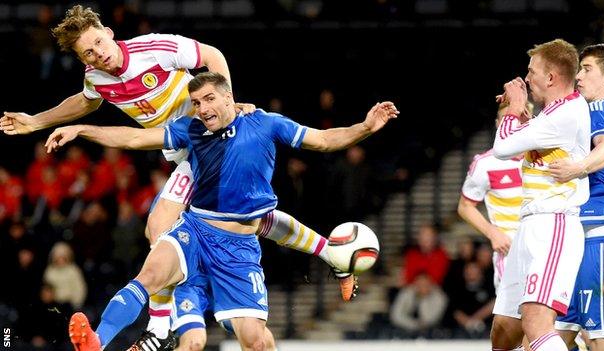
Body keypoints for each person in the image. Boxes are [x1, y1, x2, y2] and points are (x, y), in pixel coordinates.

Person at [0, 5, 357, 348]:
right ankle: (330, 253)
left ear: (109, 34)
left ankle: (157, 327)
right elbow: (86, 100)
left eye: (98, 43)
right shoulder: (96, 78)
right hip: (178, 150)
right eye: (88, 53)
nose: (97, 54)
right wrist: (36, 120)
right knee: (245, 215)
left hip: (204, 141)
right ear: (82, 60)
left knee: (158, 226)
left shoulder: (155, 47)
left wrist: (225, 104)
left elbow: (212, 55)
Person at [46, 71, 399, 351]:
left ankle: (333, 257)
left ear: (230, 97)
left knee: (256, 342)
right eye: (196, 102)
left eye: (209, 99)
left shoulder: (266, 124)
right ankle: (97, 342)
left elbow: (323, 140)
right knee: (151, 273)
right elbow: (134, 139)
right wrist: (82, 128)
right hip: (196, 231)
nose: (202, 108)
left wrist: (365, 128)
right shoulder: (192, 129)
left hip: (238, 253)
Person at [490, 38, 591, 351]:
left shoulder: (568, 112)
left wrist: (513, 109)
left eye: (532, 71)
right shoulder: (554, 114)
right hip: (530, 226)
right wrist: (525, 120)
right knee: (504, 329)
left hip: (553, 225)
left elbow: (503, 148)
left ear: (551, 78)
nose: (527, 77)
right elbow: (540, 141)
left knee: (536, 322)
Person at [549, 43, 604, 351]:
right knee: (549, 337)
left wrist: (576, 169)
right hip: (586, 239)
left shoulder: (600, 109)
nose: (578, 76)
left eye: (586, 69)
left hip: (602, 237)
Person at [458, 102, 524, 290]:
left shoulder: (544, 157)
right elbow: (464, 207)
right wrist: (492, 232)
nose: (512, 125)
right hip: (510, 252)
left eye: (518, 120)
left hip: (545, 247)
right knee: (511, 317)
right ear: (497, 123)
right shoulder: (486, 163)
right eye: (506, 120)